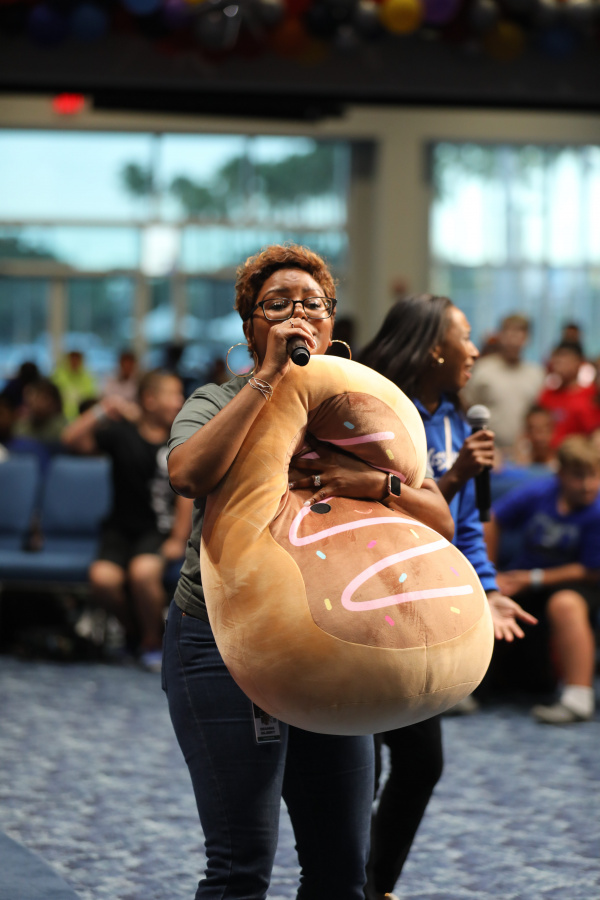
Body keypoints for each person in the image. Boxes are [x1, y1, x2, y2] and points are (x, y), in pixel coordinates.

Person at [162, 245, 454, 900]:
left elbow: (439, 519)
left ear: (330, 324)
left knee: (342, 873)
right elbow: (187, 474)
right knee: (241, 868)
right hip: (224, 642)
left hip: (335, 642)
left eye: (311, 304)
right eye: (276, 305)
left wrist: (372, 481)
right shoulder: (219, 399)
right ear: (250, 329)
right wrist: (268, 379)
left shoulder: (364, 408)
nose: (297, 314)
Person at [359, 294, 537, 900]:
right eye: (465, 337)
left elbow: (465, 528)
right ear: (433, 347)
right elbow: (373, 510)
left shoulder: (458, 421)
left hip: (425, 614)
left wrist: (488, 590)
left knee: (419, 763)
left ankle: (375, 886)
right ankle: (342, 884)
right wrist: (455, 473)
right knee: (360, 768)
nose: (476, 350)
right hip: (368, 607)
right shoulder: (380, 412)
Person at [62, 369, 192, 671]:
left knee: (142, 574)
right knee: (102, 579)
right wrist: (104, 408)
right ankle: (133, 633)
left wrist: (178, 538)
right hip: (118, 530)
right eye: (172, 395)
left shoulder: (180, 439)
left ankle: (152, 642)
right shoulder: (122, 434)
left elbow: (186, 494)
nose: (179, 401)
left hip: (157, 530)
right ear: (149, 399)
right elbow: (71, 440)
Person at [486, 435, 600, 725]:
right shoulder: (540, 493)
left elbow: (591, 570)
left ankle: (578, 698)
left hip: (582, 582)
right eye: (578, 476)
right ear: (560, 474)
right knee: (490, 595)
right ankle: (468, 689)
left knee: (565, 604)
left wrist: (534, 578)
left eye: (594, 476)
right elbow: (492, 519)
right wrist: (489, 572)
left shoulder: (597, 510)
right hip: (525, 577)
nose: (587, 485)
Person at [461, 313, 545, 460]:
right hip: (487, 449)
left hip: (525, 454)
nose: (514, 340)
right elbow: (466, 409)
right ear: (500, 336)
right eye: (509, 333)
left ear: (527, 338)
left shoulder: (537, 374)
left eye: (519, 334)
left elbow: (539, 418)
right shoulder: (482, 369)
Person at [538, 341, 595, 446]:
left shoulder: (591, 394)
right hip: (549, 453)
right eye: (557, 358)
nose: (559, 362)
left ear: (579, 362)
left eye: (565, 357)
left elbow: (595, 433)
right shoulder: (547, 395)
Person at [52, 350, 97, 421]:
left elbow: (90, 398)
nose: (74, 363)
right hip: (60, 416)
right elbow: (53, 397)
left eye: (77, 360)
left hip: (82, 416)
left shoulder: (88, 377)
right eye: (72, 360)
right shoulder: (58, 376)